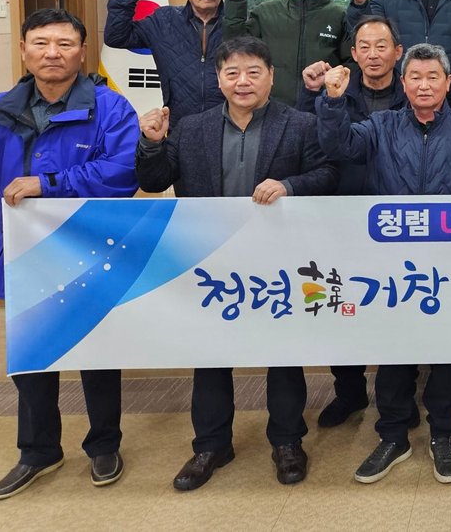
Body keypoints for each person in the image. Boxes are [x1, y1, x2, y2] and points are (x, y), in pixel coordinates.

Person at [136, 35, 338, 491]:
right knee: (211, 355)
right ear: (219, 78)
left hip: (278, 260)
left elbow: (327, 175)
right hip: (212, 260)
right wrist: (151, 143)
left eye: (253, 72)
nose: (242, 81)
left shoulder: (300, 124)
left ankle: (287, 441)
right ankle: (211, 445)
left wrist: (289, 186)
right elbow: (154, 179)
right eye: (232, 73)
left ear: (271, 76)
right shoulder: (191, 128)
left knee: (283, 354)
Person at [316, 43, 451, 486]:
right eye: (415, 77)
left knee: (445, 357)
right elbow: (338, 146)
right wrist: (333, 101)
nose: (424, 85)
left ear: (448, 83)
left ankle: (443, 435)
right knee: (393, 354)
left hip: (449, 265)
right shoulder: (381, 125)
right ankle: (393, 436)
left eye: (433, 77)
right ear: (403, 81)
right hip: (392, 267)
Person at [0, 9, 139, 500]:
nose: (52, 53)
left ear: (82, 52)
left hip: (91, 251)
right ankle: (38, 450)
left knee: (97, 352)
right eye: (41, 43)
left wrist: (48, 184)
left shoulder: (111, 109)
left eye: (65, 44)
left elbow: (123, 174)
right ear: (24, 50)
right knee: (32, 355)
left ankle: (104, 445)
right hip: (24, 253)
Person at [295, 16, 406, 429]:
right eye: (365, 47)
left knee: (399, 304)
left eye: (382, 46)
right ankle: (349, 391)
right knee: (341, 304)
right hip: (340, 215)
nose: (373, 54)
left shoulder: (413, 91)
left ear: (398, 51)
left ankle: (400, 396)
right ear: (354, 53)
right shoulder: (336, 89)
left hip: (395, 220)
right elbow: (309, 139)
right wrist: (315, 94)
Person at [224, 0, 351, 106]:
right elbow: (235, 47)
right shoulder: (266, 13)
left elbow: (351, 66)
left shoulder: (339, 15)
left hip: (323, 109)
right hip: (272, 110)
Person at [103, 0, 227, 122]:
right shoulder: (164, 20)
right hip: (180, 124)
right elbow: (116, 37)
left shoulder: (235, 24)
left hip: (229, 124)